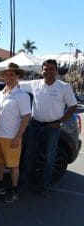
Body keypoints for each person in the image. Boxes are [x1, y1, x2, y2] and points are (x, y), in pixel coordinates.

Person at [19, 59, 77, 196]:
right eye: (46, 69)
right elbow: (15, 83)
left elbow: (73, 106)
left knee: (50, 158)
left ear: (56, 71)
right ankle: (23, 183)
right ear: (42, 71)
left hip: (53, 127)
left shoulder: (64, 87)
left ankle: (45, 186)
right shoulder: (34, 84)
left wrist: (60, 121)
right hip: (34, 125)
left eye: (52, 69)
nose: (49, 71)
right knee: (28, 155)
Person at [0, 63, 31, 203]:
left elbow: (26, 117)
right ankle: (0, 186)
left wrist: (18, 137)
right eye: (6, 74)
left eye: (12, 74)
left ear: (18, 76)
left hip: (12, 136)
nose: (9, 77)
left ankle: (14, 191)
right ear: (3, 76)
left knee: (13, 166)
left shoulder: (22, 95)